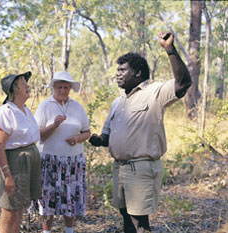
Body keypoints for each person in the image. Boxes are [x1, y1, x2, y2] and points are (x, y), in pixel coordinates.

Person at [89, 32, 192, 232]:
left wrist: (169, 49)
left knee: (139, 222)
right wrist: (97, 139)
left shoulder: (154, 93)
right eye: (117, 70)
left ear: (137, 73)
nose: (117, 74)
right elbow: (107, 137)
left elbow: (183, 83)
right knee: (125, 215)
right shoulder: (117, 102)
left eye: (122, 70)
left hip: (141, 168)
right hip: (120, 168)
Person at [34, 71, 91, 233]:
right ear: (53, 88)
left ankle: (69, 230)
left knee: (70, 197)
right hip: (49, 161)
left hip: (73, 162)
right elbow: (37, 134)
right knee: (48, 197)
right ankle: (47, 231)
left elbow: (87, 132)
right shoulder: (45, 105)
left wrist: (78, 139)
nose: (63, 90)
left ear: (70, 89)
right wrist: (54, 125)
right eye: (59, 87)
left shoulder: (77, 106)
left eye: (66, 87)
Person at [0, 71, 41, 233]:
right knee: (10, 211)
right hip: (15, 163)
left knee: (19, 208)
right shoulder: (6, 112)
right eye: (23, 84)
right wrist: (7, 176)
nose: (28, 86)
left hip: (28, 161)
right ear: (13, 91)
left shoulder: (25, 110)